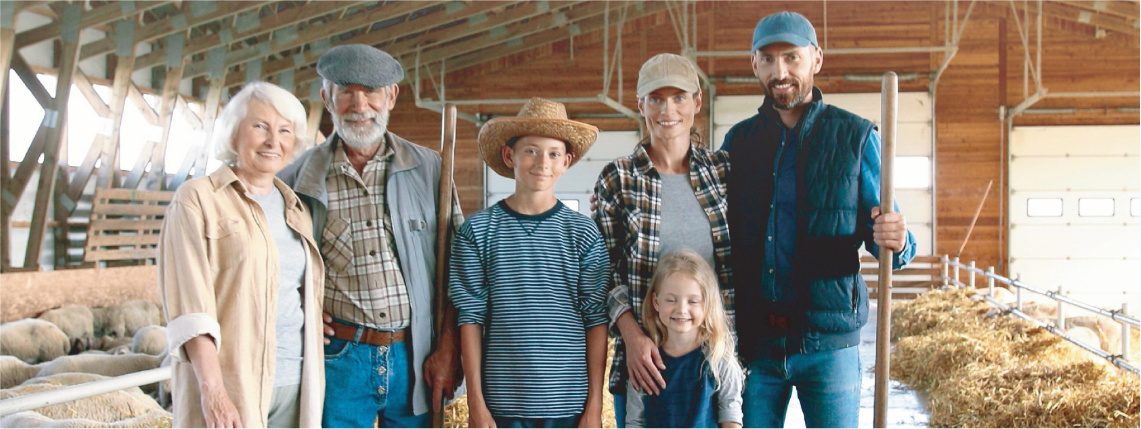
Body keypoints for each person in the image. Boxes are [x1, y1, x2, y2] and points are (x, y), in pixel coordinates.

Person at [720, 11, 917, 428]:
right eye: (768, 59)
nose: (781, 71)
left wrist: (896, 239)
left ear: (816, 59)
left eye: (792, 57)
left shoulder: (855, 137)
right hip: (756, 345)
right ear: (754, 63)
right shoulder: (739, 143)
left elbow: (897, 245)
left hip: (830, 346)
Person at [277, 44, 463, 428]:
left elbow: (459, 267)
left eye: (371, 91)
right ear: (327, 99)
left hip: (416, 354)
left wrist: (448, 348)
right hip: (339, 355)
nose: (359, 105)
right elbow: (277, 268)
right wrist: (305, 307)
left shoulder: (429, 169)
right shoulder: (296, 180)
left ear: (391, 97)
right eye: (345, 92)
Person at [159, 81, 325, 428]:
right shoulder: (197, 199)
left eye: (284, 130)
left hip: (295, 382)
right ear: (233, 132)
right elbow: (190, 307)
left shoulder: (295, 207)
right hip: (233, 387)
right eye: (259, 126)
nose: (272, 141)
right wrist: (213, 392)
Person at [449, 98, 609, 428]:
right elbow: (470, 318)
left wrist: (594, 406)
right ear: (510, 156)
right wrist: (476, 403)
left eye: (553, 153)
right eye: (531, 151)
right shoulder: (478, 231)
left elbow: (595, 320)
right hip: (501, 404)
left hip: (568, 401)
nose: (542, 162)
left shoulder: (582, 233)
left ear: (566, 162)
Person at [594, 53, 733, 427]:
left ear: (697, 102)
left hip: (712, 363)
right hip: (647, 363)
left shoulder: (722, 172)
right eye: (655, 98)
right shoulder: (618, 179)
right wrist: (632, 335)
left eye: (678, 97)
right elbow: (603, 273)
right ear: (641, 105)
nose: (667, 109)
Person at [625, 250, 743, 428]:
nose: (681, 309)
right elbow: (635, 422)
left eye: (693, 301)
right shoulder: (645, 364)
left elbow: (731, 416)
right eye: (671, 300)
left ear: (707, 303)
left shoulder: (720, 360)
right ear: (656, 302)